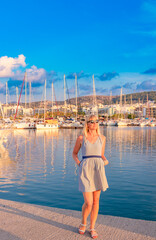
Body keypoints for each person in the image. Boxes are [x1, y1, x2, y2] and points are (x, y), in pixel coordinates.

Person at [72, 115, 109, 239]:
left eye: (96, 121)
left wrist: (105, 160)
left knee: (96, 201)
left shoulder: (102, 138)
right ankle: (83, 223)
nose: (93, 123)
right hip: (86, 169)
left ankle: (92, 227)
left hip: (98, 169)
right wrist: (79, 164)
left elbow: (101, 154)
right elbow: (74, 153)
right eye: (91, 121)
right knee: (88, 202)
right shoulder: (82, 138)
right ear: (87, 124)